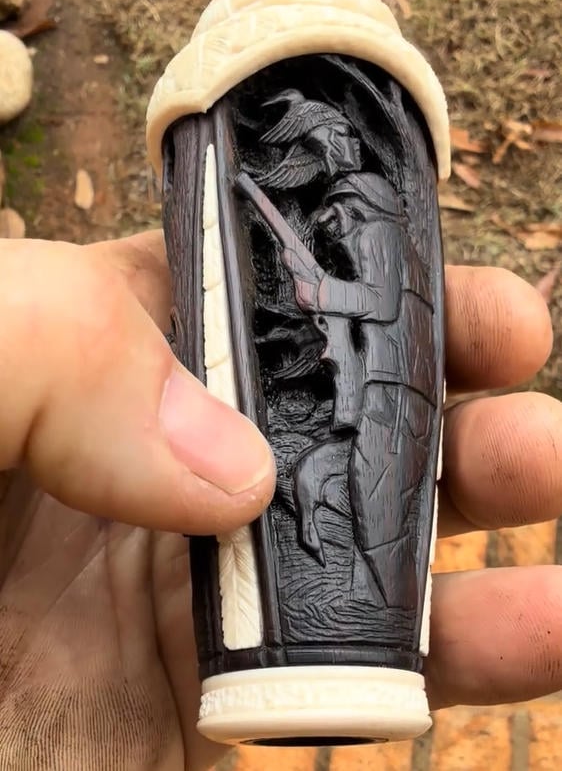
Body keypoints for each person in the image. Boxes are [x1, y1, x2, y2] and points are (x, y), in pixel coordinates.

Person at [0, 229, 560, 770]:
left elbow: (371, 301)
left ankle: (361, 592)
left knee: (378, 499)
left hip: (378, 412)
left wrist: (323, 291)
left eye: (349, 221)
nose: (342, 229)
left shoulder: (380, 271)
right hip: (338, 429)